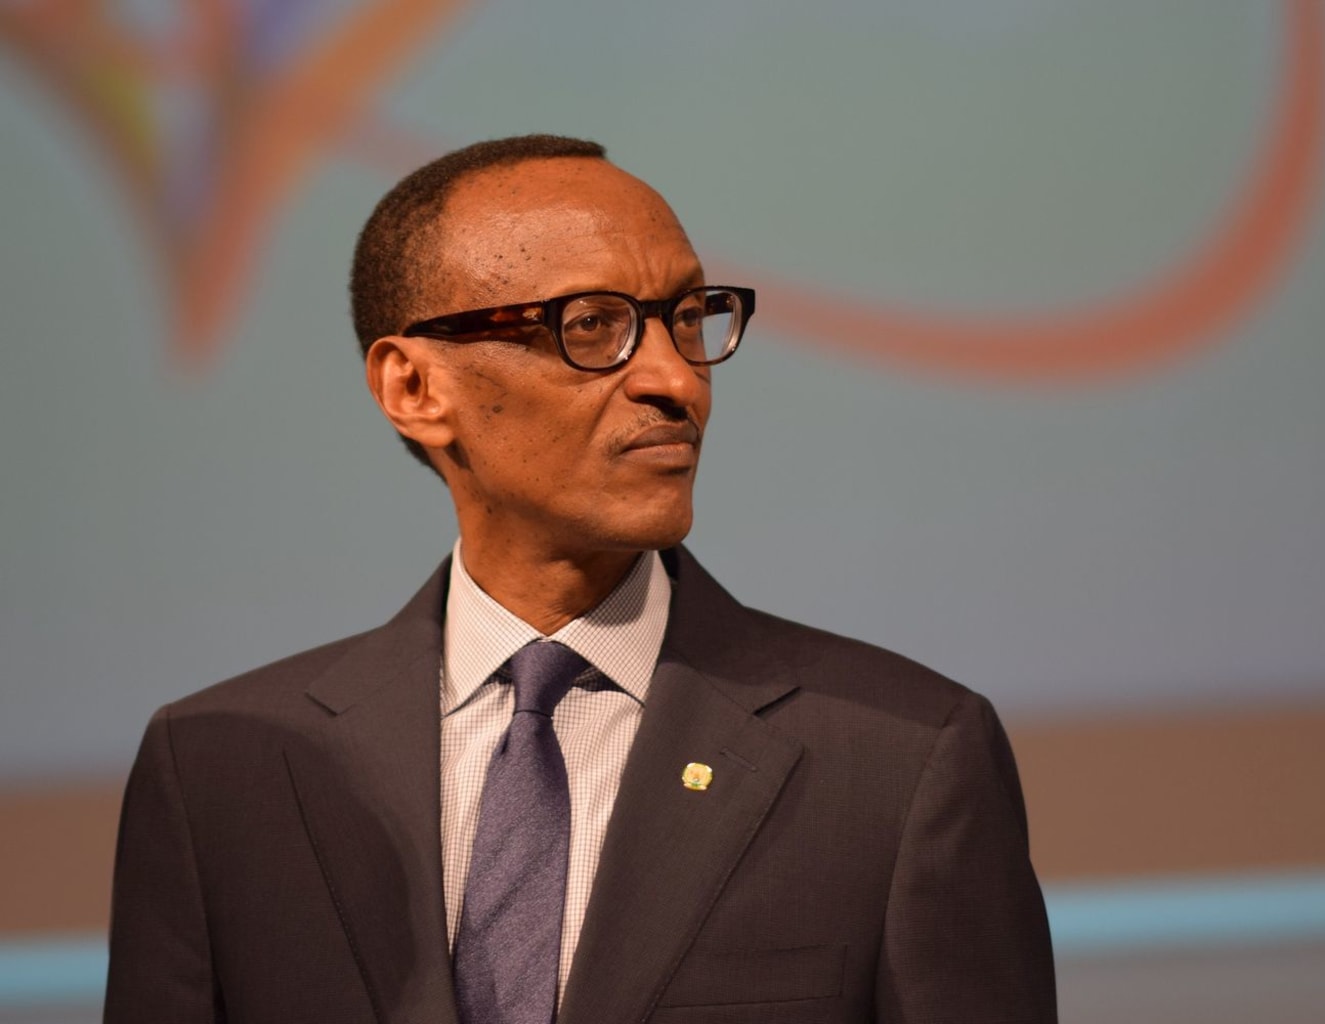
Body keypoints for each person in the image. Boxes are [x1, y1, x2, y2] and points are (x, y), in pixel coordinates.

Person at [105, 134, 1056, 1023]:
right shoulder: (217, 776)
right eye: (593, 326)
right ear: (414, 388)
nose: (676, 381)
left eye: (690, 319)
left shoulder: (899, 758)